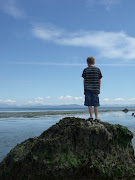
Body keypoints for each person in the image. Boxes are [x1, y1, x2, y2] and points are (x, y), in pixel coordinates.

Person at [82, 56, 102, 122]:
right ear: (94, 62)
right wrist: (99, 89)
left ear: (87, 62)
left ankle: (91, 117)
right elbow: (99, 80)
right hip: (95, 88)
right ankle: (96, 118)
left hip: (87, 88)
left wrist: (84, 89)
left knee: (89, 103)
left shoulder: (85, 70)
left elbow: (84, 80)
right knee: (95, 103)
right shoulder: (97, 70)